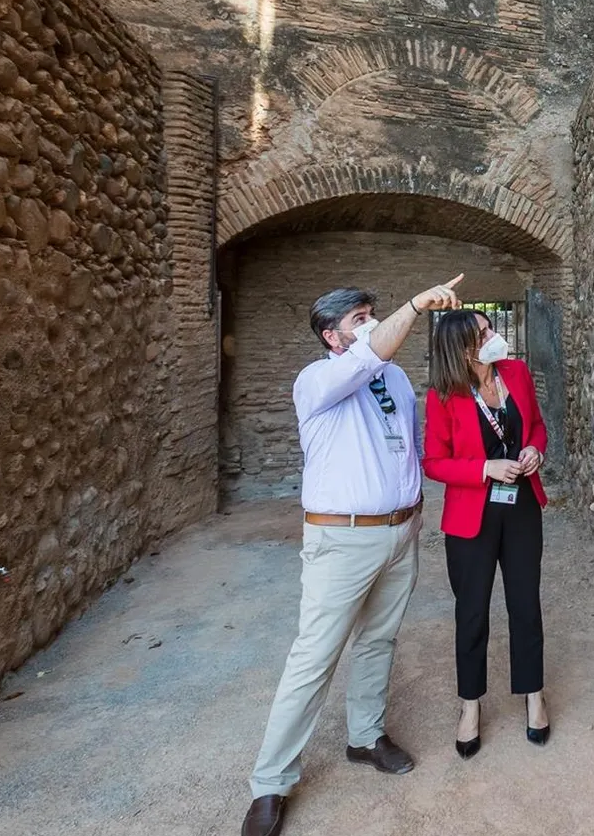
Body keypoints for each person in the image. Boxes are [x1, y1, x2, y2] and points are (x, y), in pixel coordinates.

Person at [242, 275, 465, 836]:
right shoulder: (317, 379)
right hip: (342, 539)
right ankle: (271, 782)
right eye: (358, 320)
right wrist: (416, 305)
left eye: (373, 315)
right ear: (332, 337)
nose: (369, 325)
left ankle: (365, 737)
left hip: (399, 532)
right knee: (314, 657)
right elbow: (373, 352)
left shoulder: (393, 377)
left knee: (379, 640)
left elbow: (408, 445)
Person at [422, 309, 551, 758]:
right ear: (462, 348)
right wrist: (484, 468)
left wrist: (534, 447)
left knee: (525, 603)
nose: (494, 335)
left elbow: (535, 424)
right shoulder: (443, 395)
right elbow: (434, 462)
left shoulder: (515, 372)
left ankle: (534, 694)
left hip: (522, 508)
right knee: (472, 612)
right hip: (470, 518)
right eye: (484, 332)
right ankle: (470, 705)